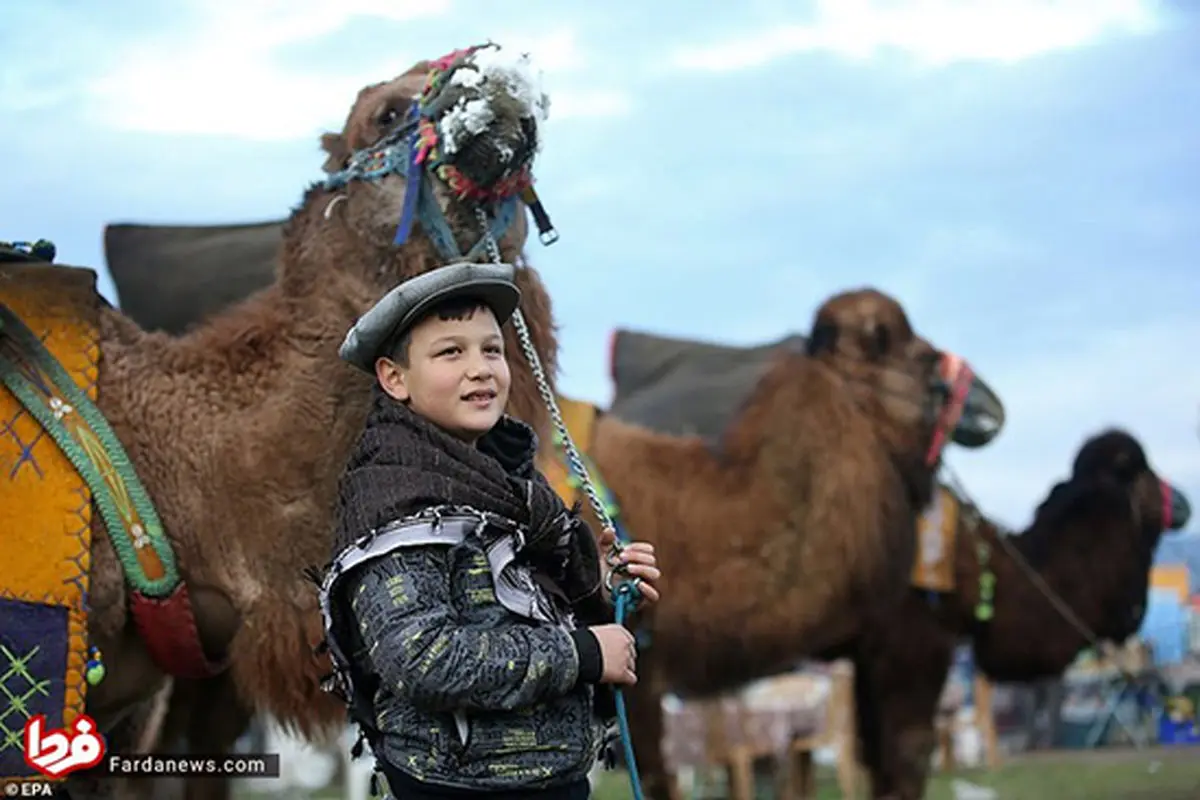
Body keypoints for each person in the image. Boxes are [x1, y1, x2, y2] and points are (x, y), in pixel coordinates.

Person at [315, 261, 662, 799]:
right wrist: (584, 655)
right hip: (458, 788)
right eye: (451, 352)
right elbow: (421, 657)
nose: (481, 368)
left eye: (491, 350)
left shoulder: (516, 489)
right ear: (394, 378)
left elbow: (526, 608)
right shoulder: (396, 504)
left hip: (551, 780)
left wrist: (607, 588)